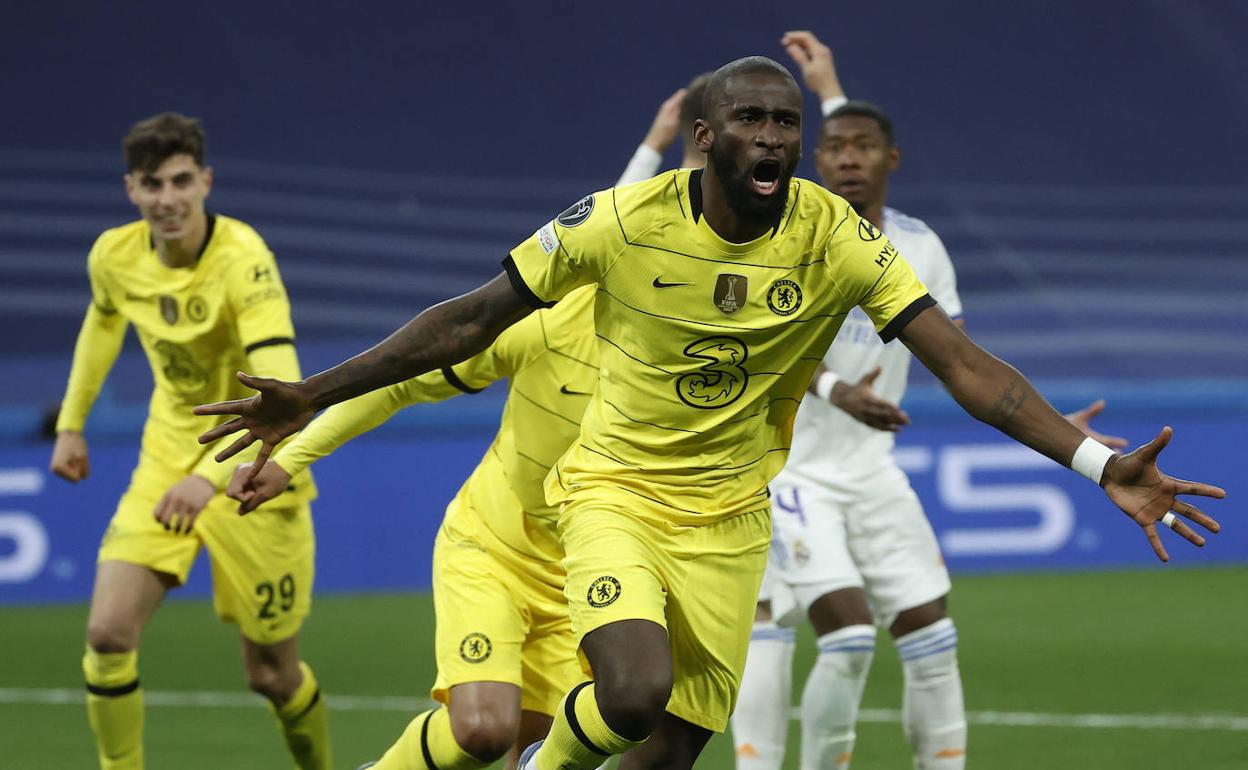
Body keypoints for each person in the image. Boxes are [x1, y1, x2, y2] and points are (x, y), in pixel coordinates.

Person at [193, 56, 1223, 770]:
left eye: (787, 123)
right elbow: (468, 320)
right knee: (631, 692)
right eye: (752, 121)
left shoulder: (833, 237)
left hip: (731, 520)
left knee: (674, 744)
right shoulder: (616, 224)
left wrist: (1095, 462)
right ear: (705, 138)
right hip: (613, 495)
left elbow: (963, 364)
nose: (774, 137)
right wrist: (312, 393)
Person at [730, 31, 1127, 770]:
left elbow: (961, 363)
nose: (848, 157)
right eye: (835, 146)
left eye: (863, 147)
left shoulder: (920, 247)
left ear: (891, 161)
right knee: (844, 637)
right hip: (787, 471)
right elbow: (752, 343)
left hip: (871, 473)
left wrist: (1046, 429)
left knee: (932, 637)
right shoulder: (787, 235)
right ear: (817, 163)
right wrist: (830, 386)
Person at [50, 113, 330, 769]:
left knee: (271, 674)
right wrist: (71, 423)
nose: (168, 199)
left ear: (205, 181)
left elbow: (284, 393)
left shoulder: (245, 262)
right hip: (165, 459)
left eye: (181, 181)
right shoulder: (114, 257)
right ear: (132, 190)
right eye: (153, 184)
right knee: (107, 633)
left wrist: (207, 477)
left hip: (253, 468)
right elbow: (101, 323)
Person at [225, 287, 600, 770]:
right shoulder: (548, 320)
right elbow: (401, 383)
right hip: (493, 551)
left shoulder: (695, 351)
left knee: (540, 757)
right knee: (483, 731)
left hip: (589, 576)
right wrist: (290, 461)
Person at [616, 72, 712, 186]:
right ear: (704, 134)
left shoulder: (651, 201)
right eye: (738, 119)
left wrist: (653, 144)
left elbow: (620, 202)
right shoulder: (733, 201)